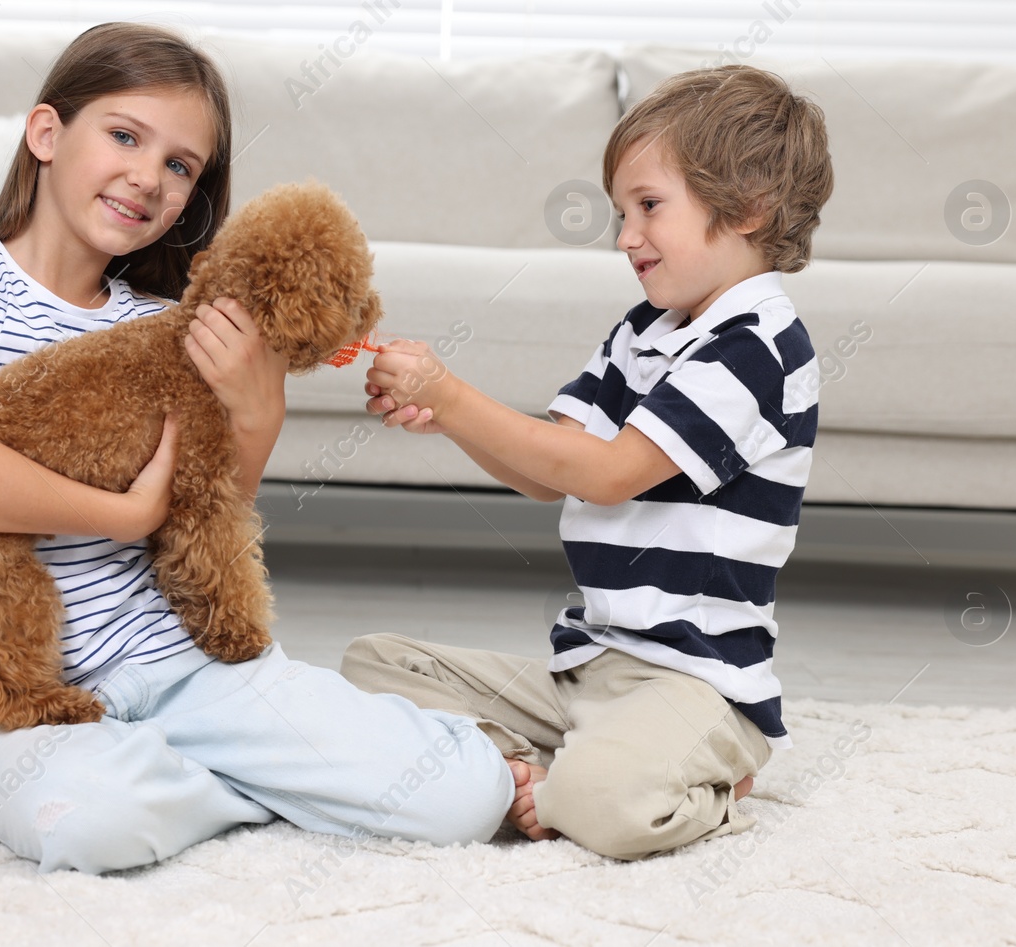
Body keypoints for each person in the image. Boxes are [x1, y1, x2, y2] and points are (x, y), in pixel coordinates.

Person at [0, 21, 513, 873]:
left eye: (180, 166)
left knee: (466, 794)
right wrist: (120, 512)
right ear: (47, 134)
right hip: (25, 696)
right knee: (87, 822)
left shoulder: (163, 327)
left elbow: (205, 514)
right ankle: (256, 783)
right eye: (125, 136)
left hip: (181, 663)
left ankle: (239, 765)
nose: (148, 177)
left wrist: (260, 410)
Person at [346, 64, 833, 860]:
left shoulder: (759, 348)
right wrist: (445, 416)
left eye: (648, 207)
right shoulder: (641, 331)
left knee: (604, 805)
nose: (625, 237)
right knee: (372, 665)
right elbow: (549, 470)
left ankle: (694, 780)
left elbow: (609, 471)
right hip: (590, 671)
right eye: (621, 211)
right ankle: (542, 772)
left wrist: (453, 391)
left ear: (746, 209)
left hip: (695, 683)